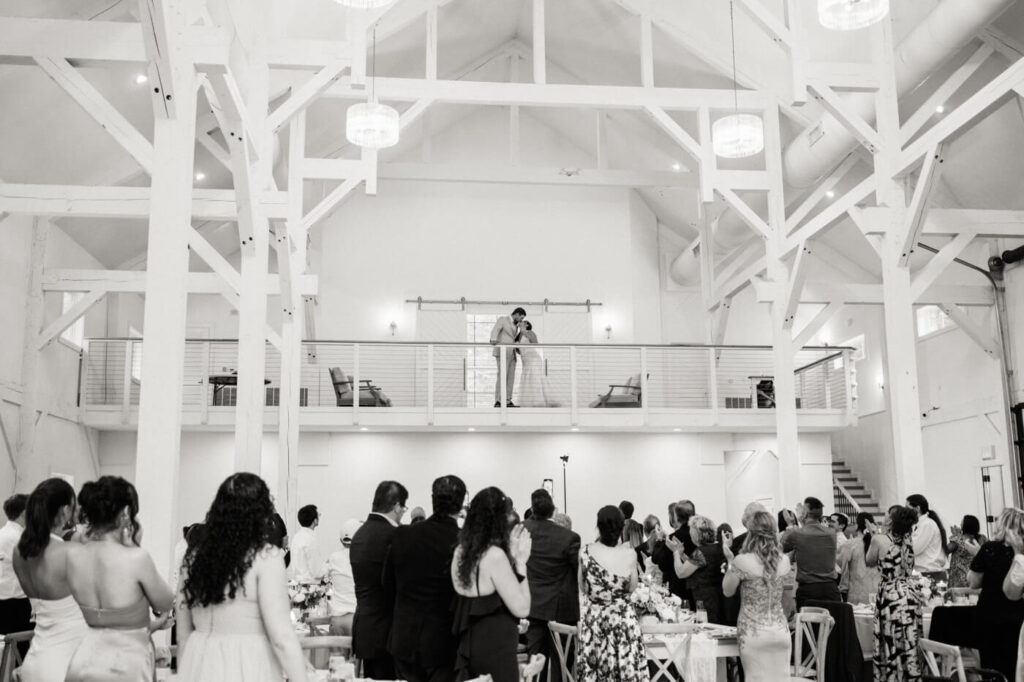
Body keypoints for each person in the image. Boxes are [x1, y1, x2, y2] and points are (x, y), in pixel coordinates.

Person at [176, 473, 309, 682]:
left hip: (198, 660)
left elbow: (183, 634)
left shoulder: (193, 557)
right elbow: (281, 637)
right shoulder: (265, 558)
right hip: (247, 662)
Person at [64, 476, 175, 682]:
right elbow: (166, 601)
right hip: (126, 662)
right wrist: (134, 545)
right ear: (125, 513)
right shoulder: (135, 557)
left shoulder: (73, 556)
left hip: (85, 655)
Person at [386, 475, 467, 682]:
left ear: (433, 500)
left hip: (404, 638)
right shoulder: (462, 541)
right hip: (443, 642)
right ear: (460, 505)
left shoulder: (402, 535)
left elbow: (386, 583)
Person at [451, 487, 532, 682]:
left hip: (470, 640)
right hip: (496, 643)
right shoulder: (494, 556)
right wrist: (521, 562)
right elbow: (522, 608)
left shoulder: (460, 552)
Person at [11, 479, 87, 681]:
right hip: (64, 665)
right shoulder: (69, 553)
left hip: (36, 660)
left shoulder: (19, 552)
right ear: (64, 512)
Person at [576, 506, 648, 682]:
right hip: (623, 621)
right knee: (625, 669)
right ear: (621, 528)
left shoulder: (584, 552)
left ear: (598, 526)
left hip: (596, 621)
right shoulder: (630, 554)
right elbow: (632, 587)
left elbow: (582, 587)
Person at [721, 511, 791, 682]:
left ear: (750, 533)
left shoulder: (741, 560)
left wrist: (730, 560)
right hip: (780, 632)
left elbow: (727, 591)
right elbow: (788, 601)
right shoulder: (784, 561)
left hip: (753, 632)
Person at [351, 480, 408, 679]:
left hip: (366, 627)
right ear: (396, 506)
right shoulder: (395, 535)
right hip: (389, 631)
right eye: (404, 508)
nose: (403, 514)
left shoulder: (360, 533)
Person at [523, 488, 580, 682]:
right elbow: (578, 571)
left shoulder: (521, 531)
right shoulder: (568, 537)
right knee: (561, 663)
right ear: (553, 511)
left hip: (532, 606)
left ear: (532, 509)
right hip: (561, 608)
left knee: (535, 662)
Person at [867, 505, 922, 681]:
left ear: (891, 520)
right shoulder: (909, 540)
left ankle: (891, 677)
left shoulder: (879, 539)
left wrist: (873, 534)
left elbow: (869, 561)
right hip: (910, 593)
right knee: (909, 642)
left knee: (891, 641)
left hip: (891, 594)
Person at [968, 507, 1024, 677]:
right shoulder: (1020, 551)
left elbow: (973, 583)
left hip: (990, 613)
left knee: (991, 665)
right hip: (1017, 614)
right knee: (1016, 663)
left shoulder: (989, 549)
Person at [781, 496, 840, 609]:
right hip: (831, 589)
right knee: (832, 625)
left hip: (809, 590)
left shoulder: (797, 533)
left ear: (805, 513)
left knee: (808, 626)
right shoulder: (831, 533)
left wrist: (790, 524)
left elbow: (782, 547)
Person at [668, 515, 726, 624]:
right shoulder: (716, 547)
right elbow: (696, 565)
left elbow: (681, 572)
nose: (690, 533)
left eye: (691, 530)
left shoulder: (700, 552)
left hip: (706, 599)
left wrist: (675, 552)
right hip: (718, 597)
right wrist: (682, 554)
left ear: (696, 533)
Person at [0, 494, 31, 651]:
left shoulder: (2, 534)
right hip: (16, 605)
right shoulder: (20, 539)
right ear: (25, 513)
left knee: (6, 650)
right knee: (19, 651)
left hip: (4, 602)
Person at [651, 501, 697, 601]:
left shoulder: (673, 538)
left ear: (676, 517)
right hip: (698, 588)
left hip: (678, 587)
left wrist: (659, 540)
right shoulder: (699, 535)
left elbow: (660, 562)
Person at [837, 512, 880, 605]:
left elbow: (843, 568)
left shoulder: (850, 544)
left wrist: (843, 588)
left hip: (856, 593)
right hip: (877, 591)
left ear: (857, 525)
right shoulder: (879, 543)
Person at [327, 519, 361, 636]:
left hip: (337, 619)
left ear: (341, 540)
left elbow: (319, 573)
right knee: (358, 655)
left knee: (337, 655)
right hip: (357, 618)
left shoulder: (333, 557)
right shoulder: (363, 558)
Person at [490, 306, 526, 407]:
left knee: (511, 378)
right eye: (521, 318)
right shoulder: (503, 320)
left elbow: (514, 338)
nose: (521, 320)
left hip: (512, 354)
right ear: (517, 314)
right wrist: (493, 339)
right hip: (502, 352)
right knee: (502, 376)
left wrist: (521, 330)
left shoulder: (517, 325)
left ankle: (507, 400)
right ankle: (498, 401)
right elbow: (495, 330)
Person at [517, 321, 560, 407]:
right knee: (527, 378)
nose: (520, 322)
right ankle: (529, 401)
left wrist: (524, 332)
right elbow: (518, 349)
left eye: (523, 322)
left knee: (535, 377)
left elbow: (535, 343)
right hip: (525, 360)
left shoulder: (530, 332)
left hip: (533, 358)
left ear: (526, 325)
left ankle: (539, 402)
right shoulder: (518, 336)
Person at [906, 493, 948, 580]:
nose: (906, 512)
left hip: (930, 573)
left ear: (917, 508)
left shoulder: (927, 524)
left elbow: (914, 549)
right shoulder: (920, 524)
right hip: (924, 572)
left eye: (907, 508)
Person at [290, 504, 326, 582]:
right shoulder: (311, 540)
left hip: (297, 583)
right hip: (310, 586)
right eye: (318, 515)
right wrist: (329, 566)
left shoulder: (296, 537)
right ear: (315, 520)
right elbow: (317, 572)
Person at [947, 514, 984, 588]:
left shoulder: (958, 540)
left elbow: (945, 550)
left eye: (962, 522)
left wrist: (955, 535)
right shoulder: (981, 539)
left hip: (958, 580)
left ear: (966, 525)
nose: (960, 523)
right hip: (974, 577)